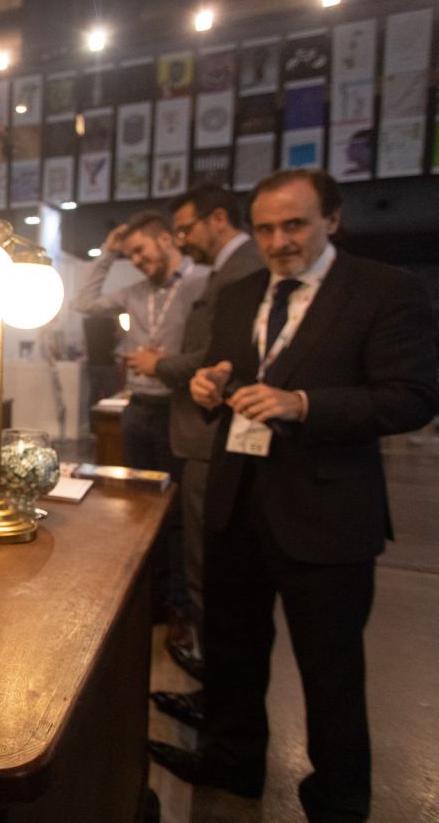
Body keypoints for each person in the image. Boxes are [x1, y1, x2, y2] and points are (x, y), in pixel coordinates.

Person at [149, 169, 439, 821]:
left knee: (330, 673)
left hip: (326, 513)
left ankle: (337, 801)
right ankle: (233, 760)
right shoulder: (242, 292)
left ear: (332, 219)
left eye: (296, 224)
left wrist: (303, 403)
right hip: (237, 500)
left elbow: (413, 396)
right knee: (232, 650)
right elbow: (228, 374)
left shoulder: (384, 290)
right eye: (268, 227)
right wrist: (209, 385)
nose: (280, 240)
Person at [133, 185, 265, 730]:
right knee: (202, 561)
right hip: (201, 429)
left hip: (212, 433)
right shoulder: (228, 272)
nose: (183, 239)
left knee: (210, 567)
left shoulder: (240, 271)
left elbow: (219, 356)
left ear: (217, 219)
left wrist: (162, 366)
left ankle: (223, 707)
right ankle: (217, 692)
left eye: (185, 229)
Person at [74, 210, 210, 630]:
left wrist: (164, 363)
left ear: (166, 240)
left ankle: (178, 602)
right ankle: (149, 596)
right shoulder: (133, 292)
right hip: (138, 410)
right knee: (139, 507)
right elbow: (83, 303)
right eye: (129, 253)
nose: (136, 259)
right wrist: (108, 254)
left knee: (178, 514)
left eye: (139, 250)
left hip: (182, 410)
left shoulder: (203, 282)